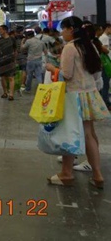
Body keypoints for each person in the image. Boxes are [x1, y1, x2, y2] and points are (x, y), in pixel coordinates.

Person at [45, 16, 110, 189]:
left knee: (70, 134)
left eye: (63, 29)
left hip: (74, 97)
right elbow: (95, 72)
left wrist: (52, 69)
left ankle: (67, 174)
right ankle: (97, 174)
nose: (62, 33)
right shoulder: (89, 45)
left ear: (71, 29)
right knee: (89, 134)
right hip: (89, 94)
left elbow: (66, 75)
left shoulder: (70, 47)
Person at [0, 24, 17, 101]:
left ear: (5, 30)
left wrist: (15, 59)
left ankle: (11, 94)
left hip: (10, 61)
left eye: (0, 29)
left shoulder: (12, 39)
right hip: (1, 61)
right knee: (3, 77)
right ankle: (5, 92)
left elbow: (15, 50)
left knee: (11, 77)